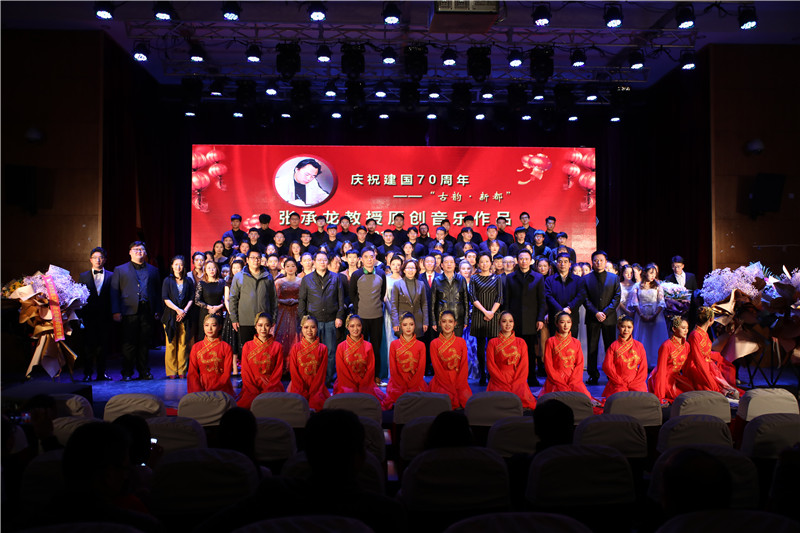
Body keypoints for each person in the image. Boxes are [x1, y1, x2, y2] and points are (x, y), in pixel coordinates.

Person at [111, 241, 162, 381]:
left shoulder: (153, 270)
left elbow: (157, 292)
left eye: (141, 249)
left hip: (147, 310)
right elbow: (114, 292)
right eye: (136, 249)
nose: (139, 252)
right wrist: (116, 311)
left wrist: (158, 310)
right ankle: (127, 372)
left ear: (145, 253)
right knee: (129, 343)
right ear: (130, 252)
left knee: (145, 343)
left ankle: (144, 371)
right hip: (128, 311)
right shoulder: (120, 270)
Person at [298, 251, 346, 387]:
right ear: (314, 262)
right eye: (319, 260)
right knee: (314, 352)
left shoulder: (336, 278)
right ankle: (314, 379)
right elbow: (302, 301)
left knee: (330, 352)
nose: (322, 262)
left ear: (327, 262)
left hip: (331, 319)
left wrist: (339, 316)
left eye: (324, 260)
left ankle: (329, 379)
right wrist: (303, 320)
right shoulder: (307, 279)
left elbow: (341, 300)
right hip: (313, 321)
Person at [505, 249, 546, 386]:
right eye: (521, 259)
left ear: (531, 261)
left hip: (531, 320)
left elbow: (542, 301)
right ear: (517, 260)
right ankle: (516, 377)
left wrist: (540, 319)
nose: (523, 261)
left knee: (530, 351)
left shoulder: (538, 277)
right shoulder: (510, 277)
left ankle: (532, 377)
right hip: (515, 320)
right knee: (514, 351)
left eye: (526, 259)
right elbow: (507, 301)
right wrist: (507, 320)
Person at [684, 307, 743, 399]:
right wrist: (706, 375)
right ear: (711, 319)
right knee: (712, 389)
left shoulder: (704, 333)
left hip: (706, 363)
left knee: (726, 376)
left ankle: (726, 390)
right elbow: (697, 358)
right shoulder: (695, 335)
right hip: (697, 366)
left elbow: (705, 352)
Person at [349, 246, 387, 384]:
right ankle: (361, 376)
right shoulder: (356, 275)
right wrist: (359, 309)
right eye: (366, 257)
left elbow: (382, 293)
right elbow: (352, 294)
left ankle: (376, 376)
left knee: (375, 349)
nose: (369, 259)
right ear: (361, 259)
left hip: (377, 316)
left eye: (372, 256)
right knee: (360, 348)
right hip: (361, 317)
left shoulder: (381, 273)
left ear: (375, 258)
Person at [583, 250, 621, 385]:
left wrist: (605, 312)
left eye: (601, 260)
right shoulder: (586, 278)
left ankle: (611, 374)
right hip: (592, 317)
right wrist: (596, 312)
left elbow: (617, 297)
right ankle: (593, 375)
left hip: (609, 318)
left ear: (606, 262)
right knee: (592, 347)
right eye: (595, 260)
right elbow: (585, 299)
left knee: (610, 347)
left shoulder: (614, 278)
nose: (598, 263)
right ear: (592, 262)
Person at [486, 311, 536, 409]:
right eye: (504, 321)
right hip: (498, 379)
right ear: (499, 323)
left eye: (511, 321)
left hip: (518, 378)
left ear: (514, 323)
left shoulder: (521, 342)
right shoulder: (492, 342)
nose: (508, 324)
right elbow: (491, 365)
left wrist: (518, 382)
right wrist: (503, 383)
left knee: (523, 402)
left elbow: (524, 365)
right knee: (498, 404)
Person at [76, 246, 113, 381]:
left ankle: (102, 373)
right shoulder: (83, 276)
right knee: (88, 346)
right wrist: (79, 316)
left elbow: (114, 296)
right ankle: (87, 373)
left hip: (105, 316)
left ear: (105, 260)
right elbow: (79, 297)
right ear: (90, 260)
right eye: (95, 258)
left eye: (101, 257)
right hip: (88, 316)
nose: (98, 260)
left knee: (103, 346)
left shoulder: (112, 275)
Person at [229, 249, 277, 351]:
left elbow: (273, 299)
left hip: (264, 322)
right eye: (252, 258)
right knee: (247, 350)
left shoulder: (268, 276)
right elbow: (233, 299)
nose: (256, 260)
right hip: (245, 320)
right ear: (247, 260)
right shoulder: (239, 277)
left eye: (258, 258)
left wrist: (273, 318)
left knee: (264, 350)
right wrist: (234, 318)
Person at [333, 315, 386, 400]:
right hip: (345, 382)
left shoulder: (368, 346)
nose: (355, 329)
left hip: (365, 382)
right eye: (352, 326)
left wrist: (362, 384)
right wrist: (352, 385)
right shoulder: (341, 347)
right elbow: (341, 370)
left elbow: (370, 369)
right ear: (347, 327)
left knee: (367, 397)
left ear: (362, 326)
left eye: (358, 325)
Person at [470, 253, 504, 386]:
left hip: (494, 315)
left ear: (491, 263)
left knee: (492, 346)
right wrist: (485, 312)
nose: (484, 264)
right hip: (479, 314)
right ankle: (482, 375)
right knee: (480, 346)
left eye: (487, 261)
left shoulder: (497, 278)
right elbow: (473, 297)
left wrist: (491, 312)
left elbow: (500, 297)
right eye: (482, 262)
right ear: (478, 264)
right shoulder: (474, 278)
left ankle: (492, 373)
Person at [238, 313, 285, 409]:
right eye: (260, 325)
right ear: (255, 326)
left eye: (267, 325)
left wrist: (268, 389)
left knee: (274, 407)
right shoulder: (247, 346)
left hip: (272, 386)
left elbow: (278, 371)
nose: (263, 329)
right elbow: (245, 371)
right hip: (251, 386)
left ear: (271, 327)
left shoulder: (277, 346)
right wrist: (252, 389)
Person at [542, 312, 593, 399]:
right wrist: (558, 380)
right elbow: (548, 364)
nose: (566, 325)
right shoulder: (550, 341)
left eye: (568, 322)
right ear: (556, 324)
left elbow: (579, 363)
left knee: (583, 399)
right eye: (562, 322)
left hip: (573, 378)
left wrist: (574, 380)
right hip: (555, 378)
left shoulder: (576, 342)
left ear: (571, 324)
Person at [382, 312, 427, 410]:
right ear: (401, 326)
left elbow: (421, 369)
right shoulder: (394, 345)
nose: (408, 327)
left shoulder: (421, 345)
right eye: (405, 325)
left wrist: (412, 384)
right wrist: (401, 384)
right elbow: (393, 368)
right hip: (397, 381)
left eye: (411, 324)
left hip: (416, 381)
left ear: (415, 325)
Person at [428, 310, 472, 409]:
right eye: (444, 321)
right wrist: (449, 387)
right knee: (444, 402)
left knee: (467, 402)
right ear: (440, 323)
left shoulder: (461, 342)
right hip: (441, 380)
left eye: (450, 321)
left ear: (455, 323)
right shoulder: (434, 343)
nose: (447, 325)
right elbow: (437, 369)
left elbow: (464, 365)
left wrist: (459, 384)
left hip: (459, 379)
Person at [287, 315, 330, 411]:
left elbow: (321, 373)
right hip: (298, 385)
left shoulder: (323, 348)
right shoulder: (296, 348)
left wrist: (314, 390)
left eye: (313, 327)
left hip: (317, 386)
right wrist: (301, 389)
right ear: (302, 329)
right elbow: (293, 371)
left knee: (317, 404)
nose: (309, 330)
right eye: (306, 327)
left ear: (317, 328)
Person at [630, 263, 669, 368]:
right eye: (651, 273)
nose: (653, 276)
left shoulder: (658, 286)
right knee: (643, 338)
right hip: (641, 315)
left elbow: (661, 302)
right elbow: (635, 302)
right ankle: (642, 362)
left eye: (654, 274)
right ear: (645, 273)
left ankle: (655, 362)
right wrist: (641, 315)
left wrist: (655, 315)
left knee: (655, 338)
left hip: (656, 315)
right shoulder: (637, 286)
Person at [161, 255, 194, 380]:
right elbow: (165, 298)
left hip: (185, 316)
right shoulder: (167, 280)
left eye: (180, 264)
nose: (178, 267)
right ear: (172, 266)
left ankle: (182, 370)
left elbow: (191, 298)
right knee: (171, 344)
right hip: (170, 316)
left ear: (183, 266)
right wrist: (178, 310)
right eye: (176, 264)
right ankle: (171, 371)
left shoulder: (188, 280)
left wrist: (184, 311)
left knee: (183, 343)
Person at [647, 316, 692, 404]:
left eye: (687, 328)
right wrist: (660, 396)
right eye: (683, 328)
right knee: (679, 397)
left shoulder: (687, 345)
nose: (686, 331)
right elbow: (661, 371)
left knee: (691, 393)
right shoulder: (666, 346)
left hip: (676, 377)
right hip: (664, 378)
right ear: (674, 329)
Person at [601, 316, 648, 397]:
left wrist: (636, 383)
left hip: (637, 383)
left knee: (641, 399)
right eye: (623, 326)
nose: (626, 330)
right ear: (619, 327)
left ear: (633, 328)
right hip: (618, 383)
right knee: (617, 399)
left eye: (629, 327)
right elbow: (607, 366)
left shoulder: (639, 346)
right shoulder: (613, 346)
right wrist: (619, 382)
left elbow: (643, 367)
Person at [188, 314, 234, 395]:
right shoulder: (196, 347)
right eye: (206, 325)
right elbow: (192, 373)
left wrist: (213, 389)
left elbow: (226, 374)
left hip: (221, 387)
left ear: (219, 327)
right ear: (203, 327)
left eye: (213, 325)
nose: (209, 328)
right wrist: (198, 391)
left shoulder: (226, 347)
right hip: (201, 386)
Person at [544, 253, 585, 339]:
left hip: (572, 316)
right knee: (555, 343)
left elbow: (581, 296)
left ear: (570, 264)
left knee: (571, 343)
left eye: (565, 262)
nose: (562, 264)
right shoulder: (549, 280)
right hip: (555, 317)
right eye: (560, 261)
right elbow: (548, 296)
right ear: (556, 264)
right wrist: (560, 310)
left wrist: (569, 307)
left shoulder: (578, 280)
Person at [273, 257, 301, 375]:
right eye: (288, 266)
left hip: (297, 312)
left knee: (296, 336)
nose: (290, 268)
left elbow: (304, 298)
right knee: (282, 337)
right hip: (282, 312)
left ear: (296, 268)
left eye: (293, 266)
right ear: (284, 268)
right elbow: (274, 299)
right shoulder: (279, 282)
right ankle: (282, 368)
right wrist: (284, 301)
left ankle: (295, 367)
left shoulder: (301, 281)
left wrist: (296, 301)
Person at [431, 255, 469, 336]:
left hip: (458, 318)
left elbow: (466, 301)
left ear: (455, 265)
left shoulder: (461, 280)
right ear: (442, 265)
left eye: (451, 262)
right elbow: (432, 303)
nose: (449, 264)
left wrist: (466, 320)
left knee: (457, 342)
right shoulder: (437, 280)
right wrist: (434, 321)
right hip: (442, 319)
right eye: (446, 262)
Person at [390, 259, 428, 340]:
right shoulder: (397, 284)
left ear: (416, 270)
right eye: (408, 268)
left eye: (413, 268)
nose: (410, 270)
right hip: (402, 321)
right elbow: (394, 305)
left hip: (417, 321)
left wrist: (425, 321)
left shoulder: (421, 284)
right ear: (404, 270)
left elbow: (424, 304)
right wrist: (395, 323)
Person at [380, 255, 404, 382]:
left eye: (398, 264)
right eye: (394, 264)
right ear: (390, 264)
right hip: (389, 313)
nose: (396, 267)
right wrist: (392, 312)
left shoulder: (404, 279)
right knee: (390, 341)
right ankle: (391, 372)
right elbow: (385, 297)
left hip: (403, 314)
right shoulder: (386, 278)